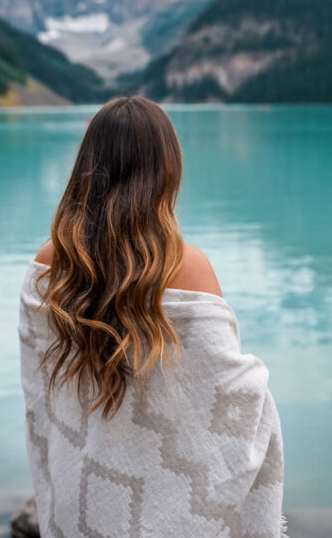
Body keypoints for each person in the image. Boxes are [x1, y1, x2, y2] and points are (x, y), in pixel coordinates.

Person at [18, 95, 287, 538]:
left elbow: (40, 400)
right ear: (167, 170)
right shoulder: (188, 266)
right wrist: (256, 379)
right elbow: (229, 398)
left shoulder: (49, 263)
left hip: (79, 506)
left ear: (87, 166)